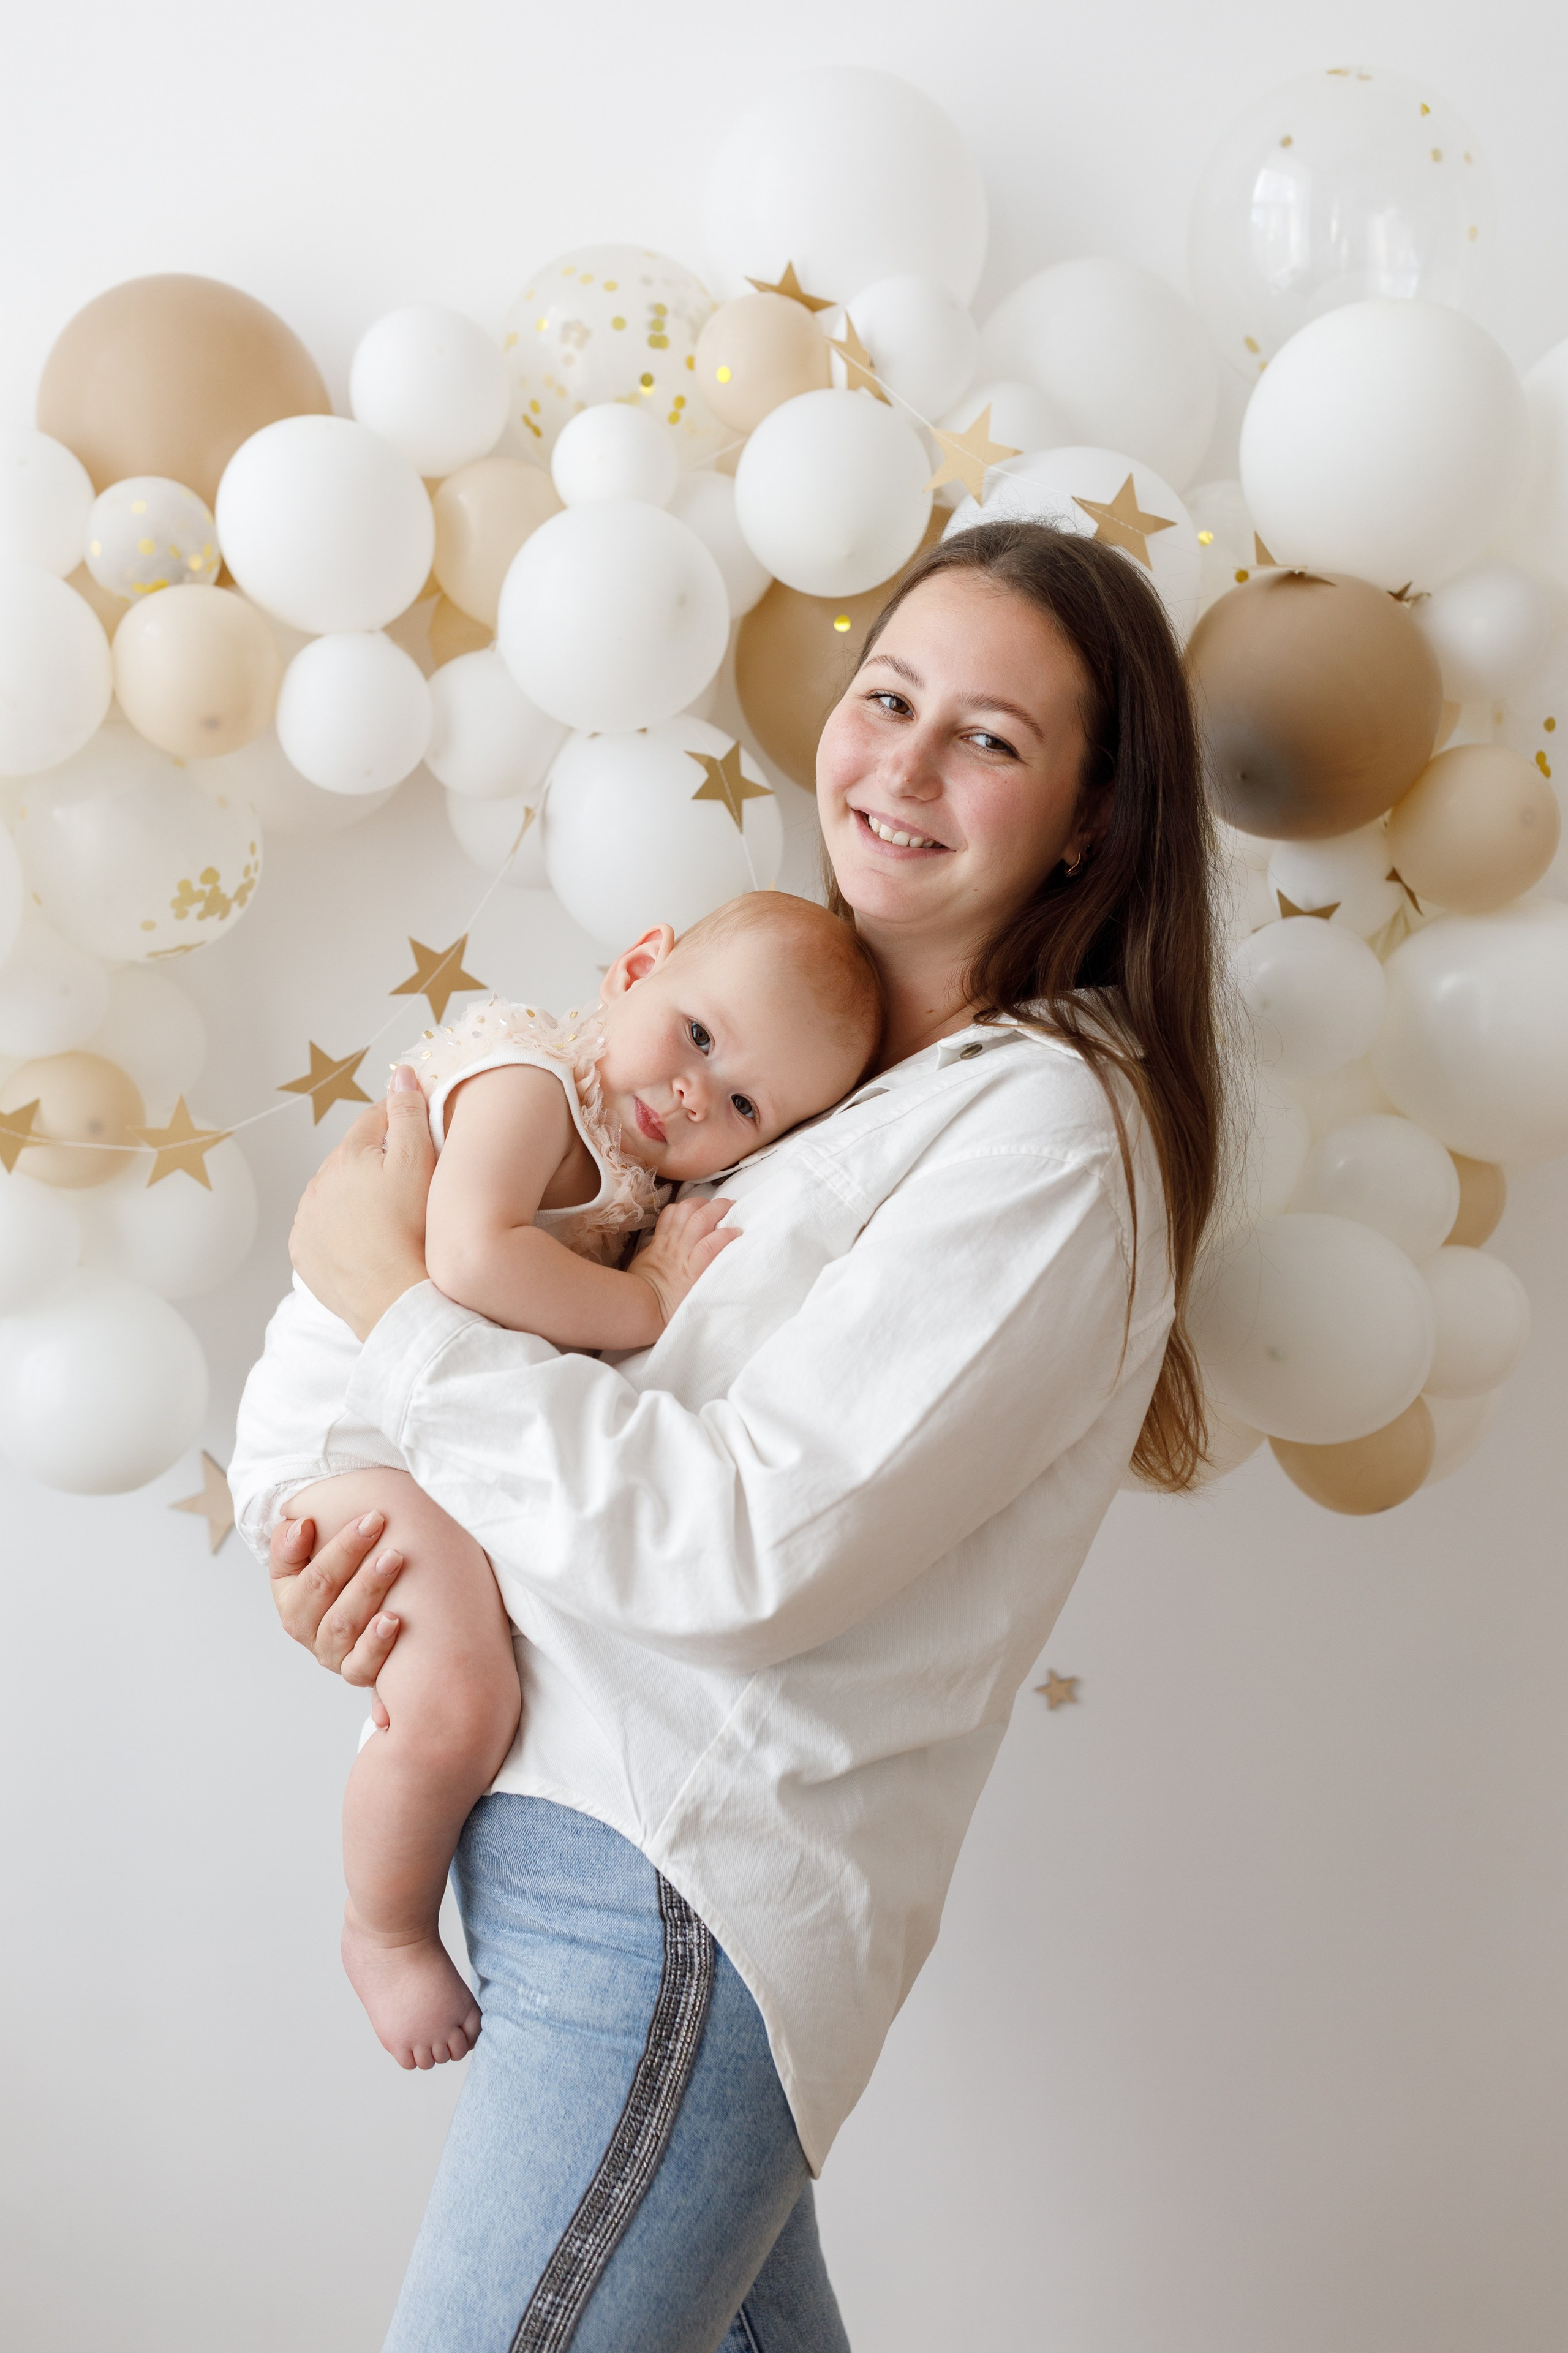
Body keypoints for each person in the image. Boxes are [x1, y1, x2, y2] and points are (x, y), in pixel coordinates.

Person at [266, 519, 1226, 2353]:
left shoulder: (1045, 1131)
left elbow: (744, 1553)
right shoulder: (796, 1078)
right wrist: (386, 1571)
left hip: (666, 1891)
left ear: (1091, 819)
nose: (904, 767)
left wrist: (397, 1310)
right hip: (583, 1847)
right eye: (889, 699)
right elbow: (601, 1443)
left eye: (990, 738)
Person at [229, 894, 884, 2071]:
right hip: (344, 1432)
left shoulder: (637, 1168)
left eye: (745, 1105)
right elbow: (470, 1255)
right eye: (697, 1034)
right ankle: (384, 1927)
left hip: (417, 1434)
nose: (694, 1093)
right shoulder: (528, 1080)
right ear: (637, 966)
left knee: (474, 1678)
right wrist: (648, 1299)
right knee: (459, 1701)